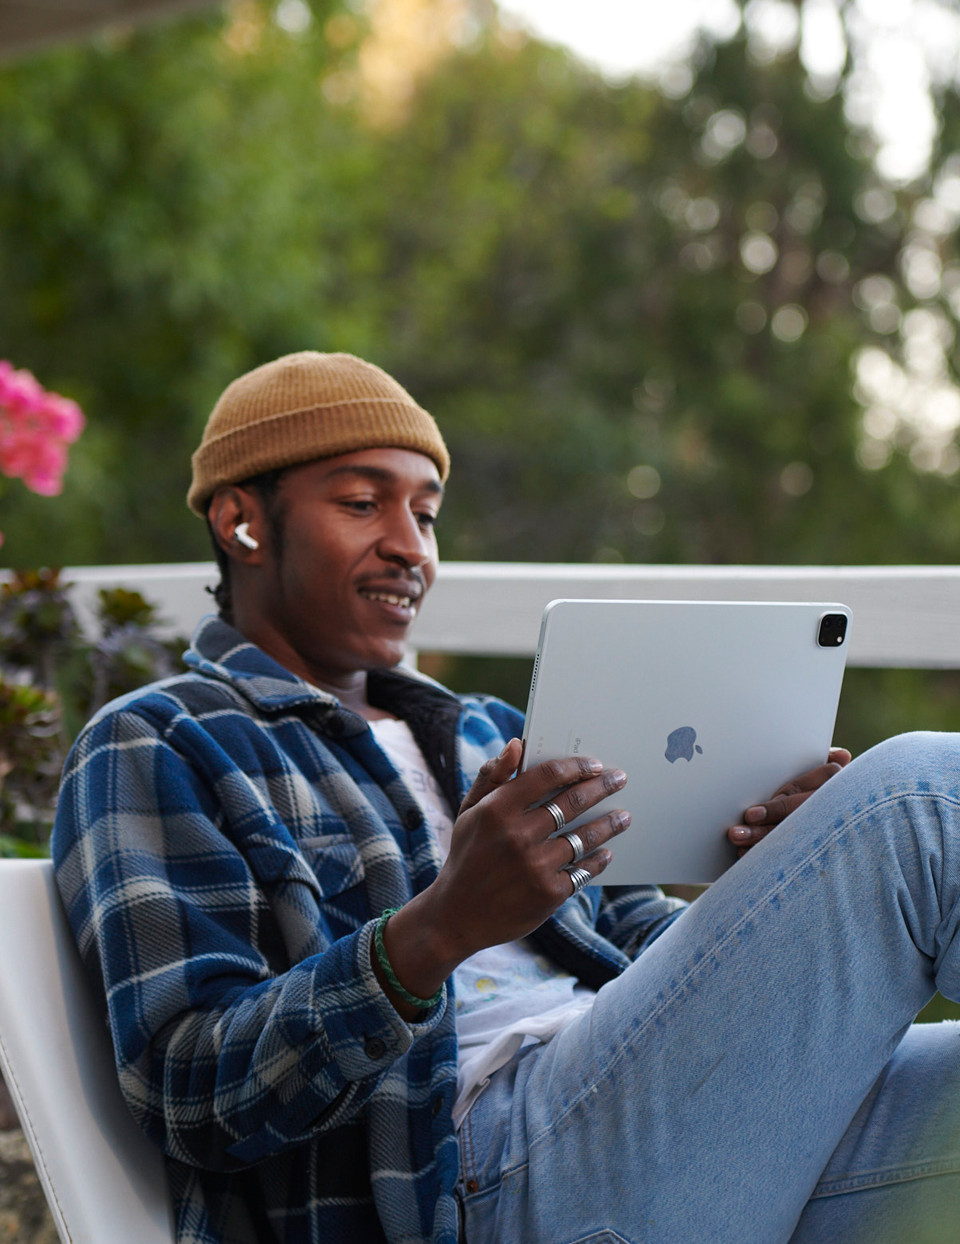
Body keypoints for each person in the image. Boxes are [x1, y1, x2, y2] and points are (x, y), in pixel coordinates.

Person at [52, 351, 960, 1244]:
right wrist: (438, 929)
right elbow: (191, 1093)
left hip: (653, 1121)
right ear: (244, 521)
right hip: (470, 1182)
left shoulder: (484, 729)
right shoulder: (164, 740)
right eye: (363, 504)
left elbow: (631, 939)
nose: (411, 548)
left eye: (427, 514)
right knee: (917, 800)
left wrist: (771, 891)